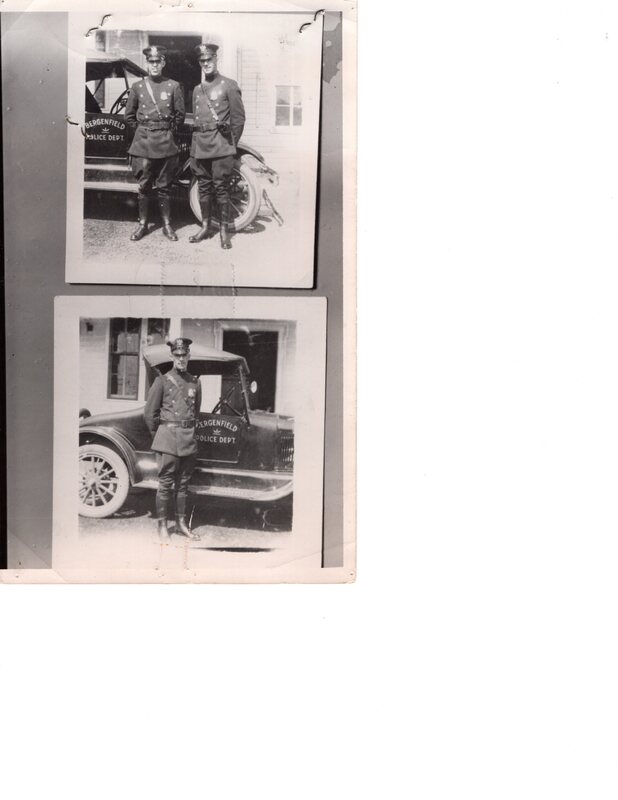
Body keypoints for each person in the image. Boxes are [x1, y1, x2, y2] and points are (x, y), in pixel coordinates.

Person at [124, 45, 185, 242]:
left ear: (163, 63)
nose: (155, 65)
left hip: (166, 143)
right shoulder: (138, 87)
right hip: (143, 143)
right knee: (144, 186)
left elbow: (180, 116)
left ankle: (167, 225)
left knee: (165, 186)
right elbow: (129, 116)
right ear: (147, 63)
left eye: (158, 61)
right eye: (151, 62)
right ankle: (142, 225)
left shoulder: (173, 86)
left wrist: (166, 131)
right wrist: (143, 131)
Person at [188, 43, 246, 249]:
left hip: (221, 147)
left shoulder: (229, 84)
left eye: (209, 60)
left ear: (215, 60)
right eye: (202, 61)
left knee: (221, 188)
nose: (206, 64)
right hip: (201, 146)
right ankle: (205, 227)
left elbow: (238, 119)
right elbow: (197, 121)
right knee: (203, 186)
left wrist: (230, 143)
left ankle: (223, 231)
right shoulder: (197, 89)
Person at [144, 338, 202, 541]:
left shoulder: (195, 382)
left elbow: (195, 412)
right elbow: (150, 414)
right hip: (168, 439)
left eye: (184, 355)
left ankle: (181, 525)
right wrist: (160, 436)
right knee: (166, 483)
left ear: (189, 356)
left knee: (183, 485)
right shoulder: (162, 381)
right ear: (172, 356)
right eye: (177, 355)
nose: (181, 359)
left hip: (187, 440)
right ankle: (161, 527)